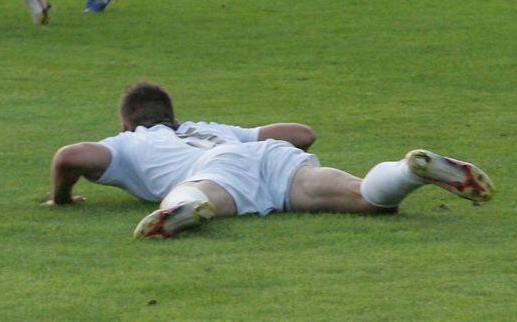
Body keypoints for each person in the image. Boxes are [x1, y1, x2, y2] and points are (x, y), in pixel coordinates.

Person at [45, 80, 494, 240]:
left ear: (127, 123)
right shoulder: (204, 128)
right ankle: (408, 170)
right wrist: (255, 138)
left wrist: (61, 198)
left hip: (215, 172)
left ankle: (179, 209)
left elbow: (70, 155)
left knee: (195, 192)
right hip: (268, 156)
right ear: (172, 115)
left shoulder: (128, 143)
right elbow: (302, 134)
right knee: (365, 197)